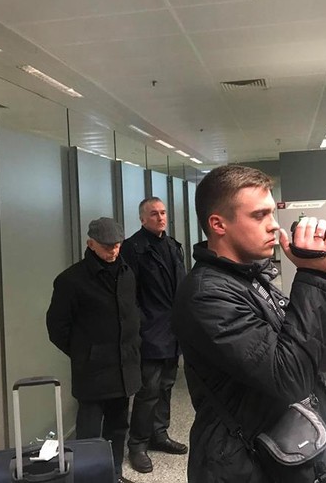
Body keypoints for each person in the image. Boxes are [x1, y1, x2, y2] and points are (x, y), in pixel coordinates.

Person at [172, 165, 326, 483]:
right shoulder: (206, 294)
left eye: (272, 213)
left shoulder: (248, 276)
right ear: (218, 224)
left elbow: (299, 346)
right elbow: (289, 376)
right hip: (239, 463)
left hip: (276, 448)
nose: (273, 225)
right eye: (259, 215)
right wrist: (312, 275)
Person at [46, 217, 140, 483]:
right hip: (92, 371)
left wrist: (134, 345)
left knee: (118, 427)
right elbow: (57, 327)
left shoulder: (127, 273)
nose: (113, 250)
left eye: (117, 245)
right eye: (107, 246)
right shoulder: (70, 280)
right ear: (90, 244)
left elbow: (132, 312)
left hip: (124, 367)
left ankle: (114, 474)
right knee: (88, 431)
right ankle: (86, 478)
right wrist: (84, 352)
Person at [121, 197, 188, 474]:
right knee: (148, 390)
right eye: (153, 214)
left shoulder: (172, 245)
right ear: (142, 219)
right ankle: (137, 444)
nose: (160, 218)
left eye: (163, 213)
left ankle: (159, 434)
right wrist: (141, 324)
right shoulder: (133, 248)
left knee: (167, 385)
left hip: (173, 329)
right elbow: (128, 293)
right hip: (149, 330)